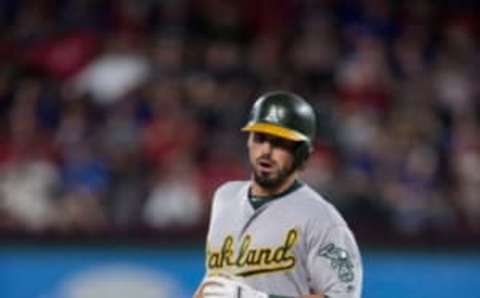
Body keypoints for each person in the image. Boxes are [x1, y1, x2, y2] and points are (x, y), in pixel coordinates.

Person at [195, 91, 363, 298]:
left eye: (280, 143)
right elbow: (214, 281)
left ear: (302, 154)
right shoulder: (225, 197)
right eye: (260, 138)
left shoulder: (321, 218)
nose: (266, 150)